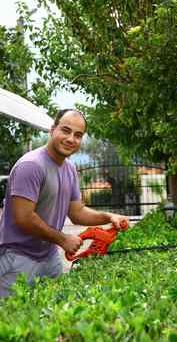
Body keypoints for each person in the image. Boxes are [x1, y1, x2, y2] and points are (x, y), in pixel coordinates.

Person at [0, 109, 129, 297]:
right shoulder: (31, 166)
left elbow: (77, 212)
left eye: (78, 135)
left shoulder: (69, 168)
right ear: (52, 130)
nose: (71, 139)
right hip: (18, 258)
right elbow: (23, 218)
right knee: (10, 321)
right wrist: (63, 239)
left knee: (54, 317)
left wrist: (109, 217)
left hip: (49, 257)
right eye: (65, 130)